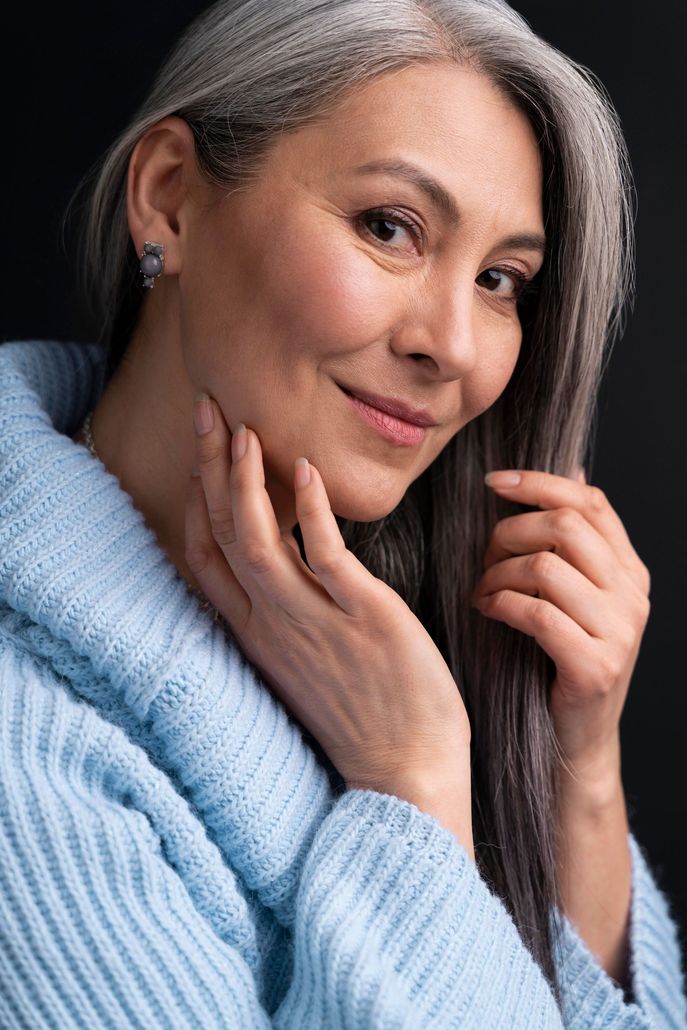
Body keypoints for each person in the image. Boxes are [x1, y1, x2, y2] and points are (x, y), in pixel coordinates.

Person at [0, 0, 685, 1025]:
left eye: (502, 280)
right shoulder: (25, 770)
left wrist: (577, 775)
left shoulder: (448, 624)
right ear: (171, 199)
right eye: (390, 227)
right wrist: (413, 776)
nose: (453, 342)